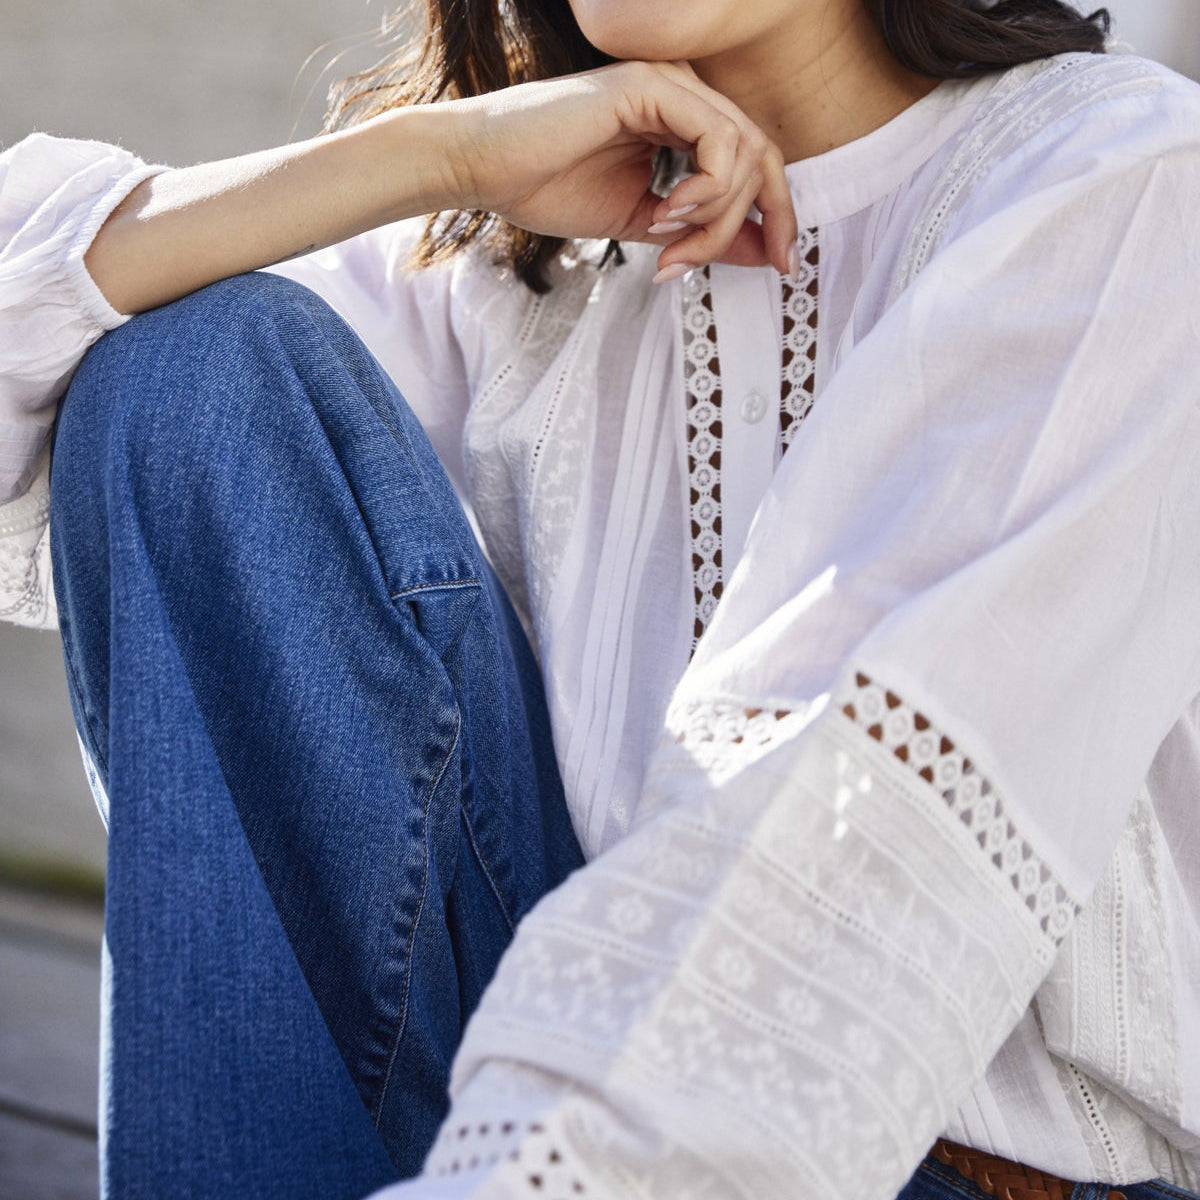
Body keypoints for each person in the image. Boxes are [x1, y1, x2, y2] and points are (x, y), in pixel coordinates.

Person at [1, 0, 1199, 1198]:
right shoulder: (531, 252)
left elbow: (835, 840)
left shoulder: (1121, 181)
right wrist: (440, 155)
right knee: (187, 374)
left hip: (931, 1173)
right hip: (501, 1122)